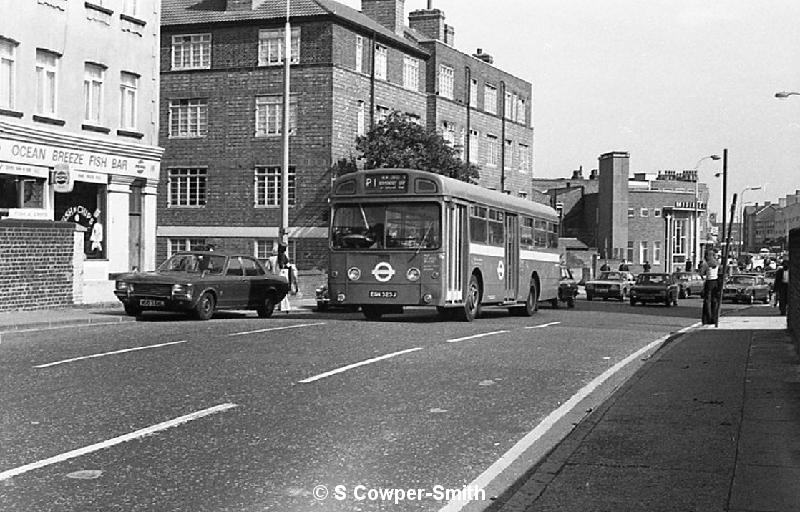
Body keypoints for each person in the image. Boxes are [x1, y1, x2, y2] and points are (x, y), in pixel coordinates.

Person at [700, 250, 720, 325]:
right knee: (714, 300)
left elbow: (701, 273)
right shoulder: (717, 263)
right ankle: (714, 318)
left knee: (707, 301)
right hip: (715, 281)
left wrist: (704, 277)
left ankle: (707, 318)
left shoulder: (706, 264)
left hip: (709, 281)